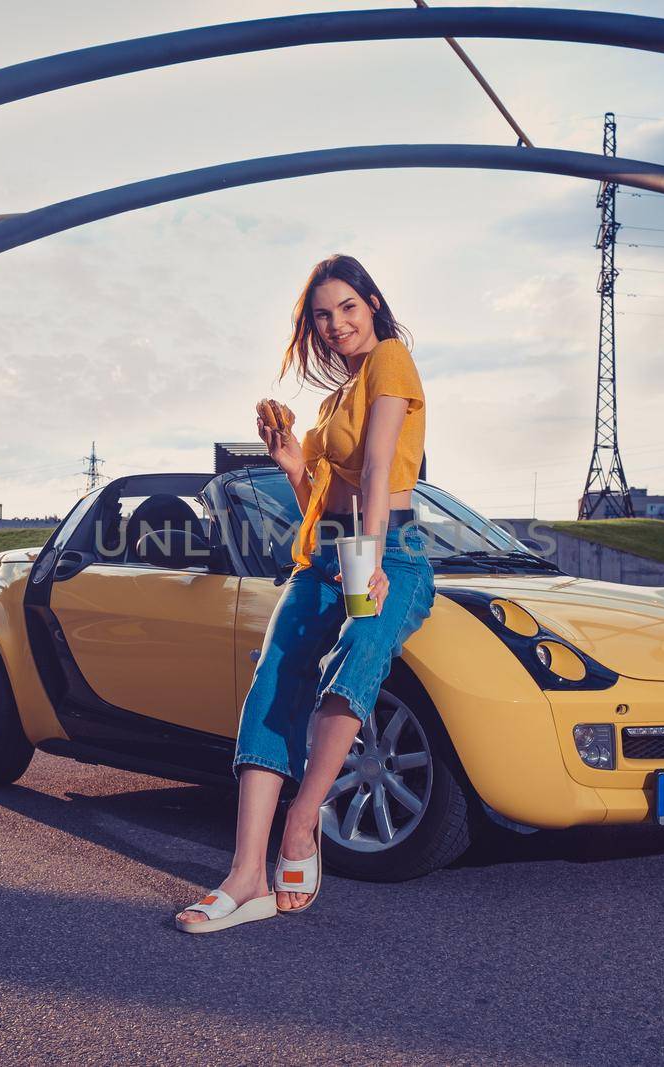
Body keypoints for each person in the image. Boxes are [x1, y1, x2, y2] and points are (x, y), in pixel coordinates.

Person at [175, 254, 436, 931]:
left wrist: (373, 557)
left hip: (390, 550)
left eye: (347, 306)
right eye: (323, 314)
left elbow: (379, 465)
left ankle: (300, 821)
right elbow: (321, 499)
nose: (336, 323)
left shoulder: (390, 361)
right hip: (325, 553)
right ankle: (245, 875)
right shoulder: (331, 401)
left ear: (372, 303)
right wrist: (292, 458)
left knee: (360, 651)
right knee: (273, 680)